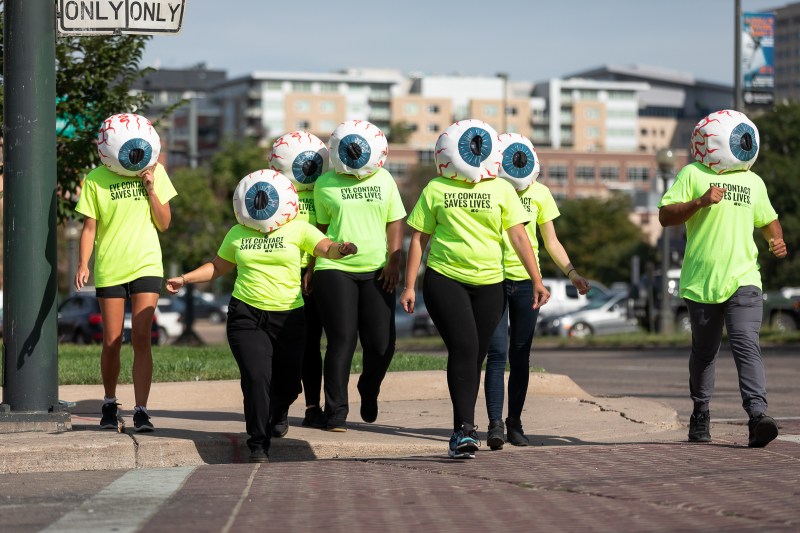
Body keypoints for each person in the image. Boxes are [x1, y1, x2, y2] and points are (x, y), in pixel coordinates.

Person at [166, 169, 357, 463]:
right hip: (246, 314)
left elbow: (325, 248)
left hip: (290, 317)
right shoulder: (237, 232)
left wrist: (341, 249)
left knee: (290, 385)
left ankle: (278, 413)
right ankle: (257, 443)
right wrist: (185, 278)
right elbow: (217, 267)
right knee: (256, 378)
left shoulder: (299, 228)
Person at [401, 120, 549, 459]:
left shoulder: (502, 189)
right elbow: (419, 239)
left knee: (475, 355)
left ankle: (464, 428)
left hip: (490, 284)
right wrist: (409, 285)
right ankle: (463, 431)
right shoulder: (436, 188)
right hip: (445, 278)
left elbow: (518, 236)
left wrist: (536, 279)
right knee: (466, 347)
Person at [659, 109, 785, 448]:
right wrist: (700, 201)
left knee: (746, 343)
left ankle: (758, 416)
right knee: (705, 351)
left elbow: (768, 219)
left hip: (745, 278)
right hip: (702, 281)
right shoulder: (693, 173)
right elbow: (665, 216)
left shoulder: (753, 182)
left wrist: (776, 238)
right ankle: (700, 412)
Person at [483, 134, 590, 450]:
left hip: (528, 282)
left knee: (520, 355)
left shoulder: (541, 193)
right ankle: (494, 425)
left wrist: (572, 273)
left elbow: (551, 241)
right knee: (497, 353)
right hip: (493, 278)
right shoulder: (490, 189)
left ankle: (514, 422)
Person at [75, 113, 176, 433]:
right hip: (111, 266)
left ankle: (142, 409)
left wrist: (150, 189)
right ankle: (108, 402)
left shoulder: (156, 171)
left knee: (143, 337)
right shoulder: (95, 179)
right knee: (112, 340)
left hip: (146, 263)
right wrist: (83, 263)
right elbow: (89, 228)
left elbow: (164, 223)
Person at [312, 120, 406, 432]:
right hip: (334, 268)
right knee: (342, 340)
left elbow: (395, 222)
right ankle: (335, 412)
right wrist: (312, 268)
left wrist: (394, 261)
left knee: (382, 344)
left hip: (378, 270)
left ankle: (369, 386)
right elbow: (321, 231)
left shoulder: (385, 179)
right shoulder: (324, 183)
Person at [268, 131, 330, 435]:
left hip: (317, 272)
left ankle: (313, 407)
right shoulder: (277, 190)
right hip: (283, 275)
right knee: (289, 347)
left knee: (313, 346)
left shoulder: (324, 188)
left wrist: (314, 267)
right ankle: (279, 407)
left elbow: (328, 228)